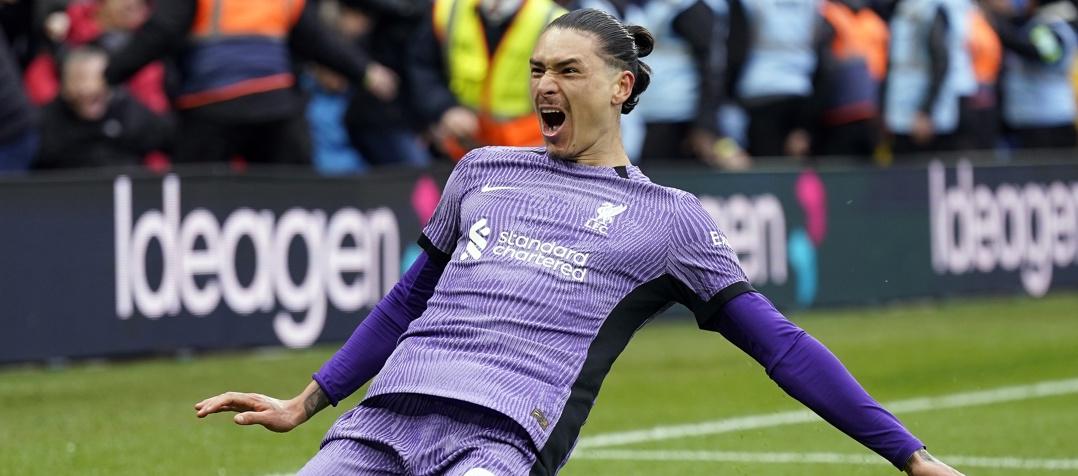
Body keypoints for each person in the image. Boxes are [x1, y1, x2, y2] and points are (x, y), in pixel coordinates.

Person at [196, 9, 966, 476]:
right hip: (379, 422)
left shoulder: (671, 221)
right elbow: (404, 303)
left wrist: (907, 452)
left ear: (620, 87)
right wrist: (309, 400)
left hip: (497, 445)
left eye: (568, 70)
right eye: (537, 70)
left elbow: (783, 347)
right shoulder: (479, 170)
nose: (543, 86)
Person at [104, 0, 390, 165]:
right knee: (290, 196)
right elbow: (317, 39)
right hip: (272, 107)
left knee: (194, 201)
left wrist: (110, 73)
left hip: (211, 107)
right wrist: (365, 71)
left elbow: (161, 31)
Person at [407, 0, 566, 160]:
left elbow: (567, 92)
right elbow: (423, 64)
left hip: (528, 151)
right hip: (463, 147)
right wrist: (445, 108)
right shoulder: (447, 8)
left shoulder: (553, 20)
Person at [35, 46, 171, 169]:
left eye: (99, 80)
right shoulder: (47, 121)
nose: (88, 89)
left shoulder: (126, 110)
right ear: (64, 87)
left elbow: (165, 138)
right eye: (79, 80)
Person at [884, 0, 977, 155]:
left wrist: (926, 112)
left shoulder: (932, 9)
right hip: (901, 111)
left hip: (924, 118)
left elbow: (941, 63)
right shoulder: (904, 7)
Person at [986, 0, 1078, 149]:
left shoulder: (1050, 23)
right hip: (1031, 117)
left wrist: (998, 29)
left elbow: (1040, 53)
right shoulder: (1036, 24)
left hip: (1047, 119)